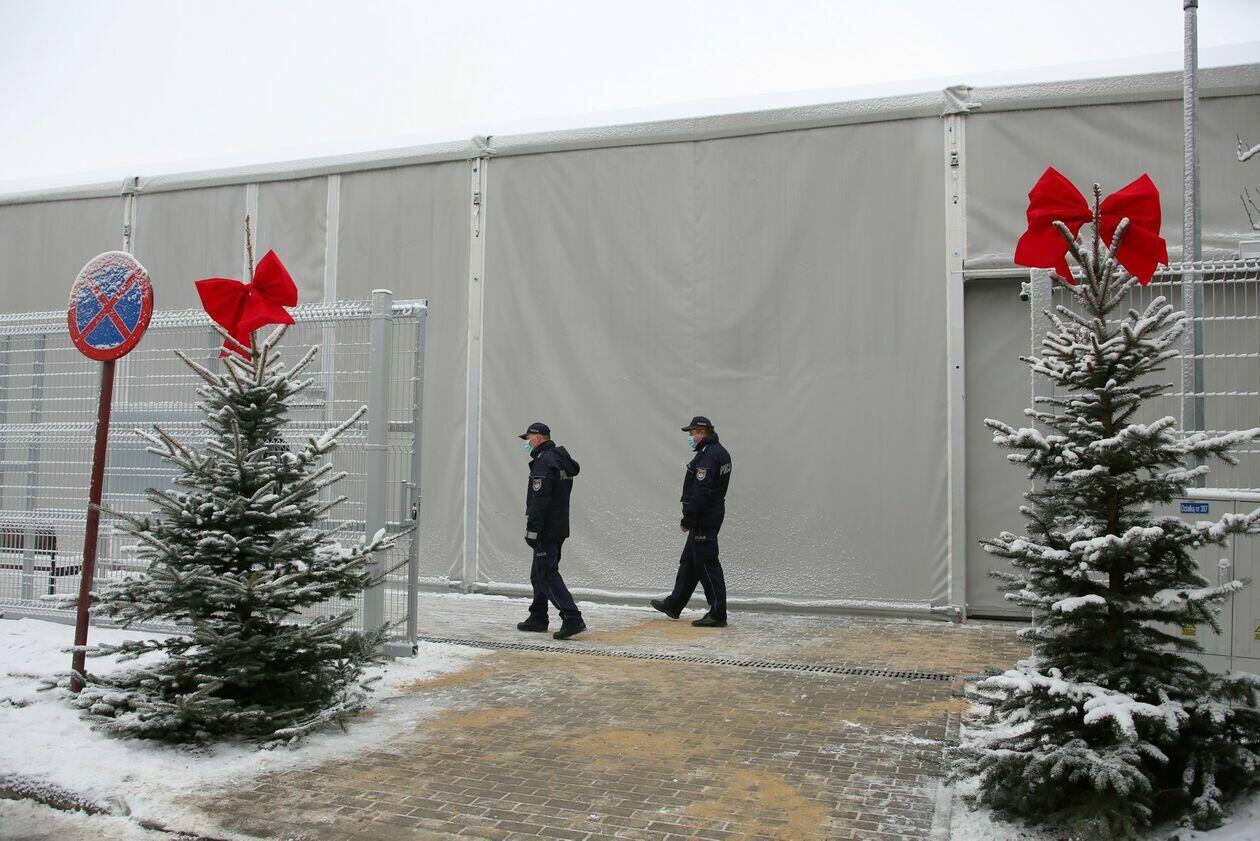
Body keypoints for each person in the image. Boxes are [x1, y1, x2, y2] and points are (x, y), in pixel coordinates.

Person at [651, 416, 732, 627]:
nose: (690, 437)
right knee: (689, 561)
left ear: (701, 433)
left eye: (692, 433)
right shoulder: (719, 452)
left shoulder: (709, 456)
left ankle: (718, 613)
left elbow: (701, 492)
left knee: (707, 564)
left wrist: (688, 519)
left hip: (704, 517)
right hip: (708, 515)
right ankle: (674, 603)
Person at [515, 422, 587, 640]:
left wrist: (533, 529)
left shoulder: (544, 462)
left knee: (546, 574)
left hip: (546, 528)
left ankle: (572, 617)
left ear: (538, 437)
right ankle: (538, 617)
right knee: (538, 573)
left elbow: (540, 499)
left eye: (528, 438)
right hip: (558, 525)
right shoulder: (559, 460)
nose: (527, 443)